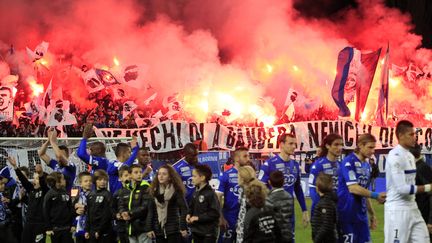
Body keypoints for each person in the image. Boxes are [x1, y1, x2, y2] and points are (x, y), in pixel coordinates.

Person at [385, 120, 431, 243]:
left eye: (414, 134)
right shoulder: (394, 157)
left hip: (412, 206)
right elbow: (401, 189)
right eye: (411, 134)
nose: (414, 137)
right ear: (400, 135)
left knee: (424, 240)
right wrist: (428, 188)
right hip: (398, 209)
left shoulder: (410, 156)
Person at [258, 133, 309, 242]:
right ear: (281, 144)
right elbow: (260, 188)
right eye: (290, 143)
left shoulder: (295, 165)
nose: (294, 146)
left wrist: (304, 210)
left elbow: (298, 189)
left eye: (295, 144)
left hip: (289, 212)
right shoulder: (269, 164)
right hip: (272, 213)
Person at [337, 133, 386, 243]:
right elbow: (353, 188)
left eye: (374, 147)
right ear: (360, 145)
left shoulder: (367, 166)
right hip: (346, 213)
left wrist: (372, 214)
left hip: (361, 215)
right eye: (370, 147)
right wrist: (376, 195)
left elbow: (364, 191)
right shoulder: (348, 162)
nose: (373, 151)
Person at [7, 156, 48, 243]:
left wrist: (40, 174)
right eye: (34, 178)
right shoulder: (31, 190)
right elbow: (23, 180)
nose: (34, 180)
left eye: (36, 179)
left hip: (40, 224)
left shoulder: (45, 191)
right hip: (28, 223)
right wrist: (15, 167)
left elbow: (43, 184)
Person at [146, 164, 189, 243]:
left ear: (170, 177)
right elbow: (150, 211)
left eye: (164, 174)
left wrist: (183, 227)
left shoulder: (176, 191)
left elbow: (184, 209)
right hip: (158, 231)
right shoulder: (153, 191)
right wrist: (149, 228)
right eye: (159, 174)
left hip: (174, 230)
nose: (161, 176)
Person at [217, 147, 250, 243]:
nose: (248, 159)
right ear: (236, 159)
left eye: (248, 156)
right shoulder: (226, 175)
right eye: (245, 156)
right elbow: (218, 197)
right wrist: (221, 218)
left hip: (245, 217)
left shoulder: (249, 175)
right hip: (229, 217)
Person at [309, 134, 343, 215]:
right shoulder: (318, 165)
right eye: (336, 144)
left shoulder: (341, 165)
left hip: (338, 210)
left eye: (341, 145)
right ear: (328, 146)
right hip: (321, 212)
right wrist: (323, 206)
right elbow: (312, 189)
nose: (340, 148)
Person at [187, 164, 220, 243]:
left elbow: (215, 213)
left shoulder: (211, 193)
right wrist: (189, 214)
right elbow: (191, 206)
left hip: (208, 233)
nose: (192, 179)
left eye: (194, 176)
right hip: (197, 231)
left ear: (202, 178)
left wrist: (198, 218)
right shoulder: (196, 191)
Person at [119, 164, 152, 243]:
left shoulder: (145, 186)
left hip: (143, 228)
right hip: (130, 228)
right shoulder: (125, 189)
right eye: (136, 172)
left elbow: (145, 207)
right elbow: (121, 204)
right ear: (130, 175)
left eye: (140, 172)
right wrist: (122, 213)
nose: (139, 174)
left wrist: (130, 213)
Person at [43, 172, 74, 243]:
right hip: (55, 229)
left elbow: (70, 209)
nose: (65, 180)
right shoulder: (49, 195)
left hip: (67, 228)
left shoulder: (66, 193)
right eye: (63, 179)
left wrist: (72, 224)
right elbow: (45, 212)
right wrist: (48, 228)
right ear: (57, 181)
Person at [85, 170, 114, 242]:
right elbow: (88, 214)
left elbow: (107, 215)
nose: (103, 182)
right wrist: (87, 230)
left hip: (104, 231)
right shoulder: (90, 195)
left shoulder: (108, 195)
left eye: (105, 180)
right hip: (92, 230)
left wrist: (99, 230)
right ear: (95, 181)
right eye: (100, 180)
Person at [410, 143, 432, 240]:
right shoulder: (416, 168)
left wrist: (430, 221)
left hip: (424, 217)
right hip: (417, 216)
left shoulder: (422, 168)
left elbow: (431, 195)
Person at [266, 170, 294, 243]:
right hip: (288, 234)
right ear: (284, 182)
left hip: (275, 236)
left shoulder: (269, 198)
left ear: (269, 182)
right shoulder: (289, 196)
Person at [311, 173, 338, 243]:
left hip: (325, 239)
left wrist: (317, 239)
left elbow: (327, 225)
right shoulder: (326, 200)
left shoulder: (325, 203)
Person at [236, 165, 257, 243]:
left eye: (238, 176)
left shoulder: (253, 191)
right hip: (242, 226)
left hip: (249, 229)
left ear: (243, 178)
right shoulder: (242, 189)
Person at [113, 166, 131, 243]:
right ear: (120, 178)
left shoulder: (136, 191)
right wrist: (116, 215)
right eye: (126, 175)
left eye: (130, 174)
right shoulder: (116, 193)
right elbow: (112, 209)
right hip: (121, 227)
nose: (129, 177)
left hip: (134, 226)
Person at [73, 172, 93, 243]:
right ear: (80, 184)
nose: (89, 183)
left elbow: (95, 210)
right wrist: (76, 212)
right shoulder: (78, 197)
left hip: (91, 228)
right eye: (86, 181)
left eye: (90, 181)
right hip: (80, 228)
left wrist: (83, 207)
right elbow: (72, 211)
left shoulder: (94, 195)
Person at [0, 175, 18, 243]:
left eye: (3, 183)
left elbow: (6, 210)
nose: (3, 185)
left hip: (6, 225)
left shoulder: (2, 194)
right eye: (1, 184)